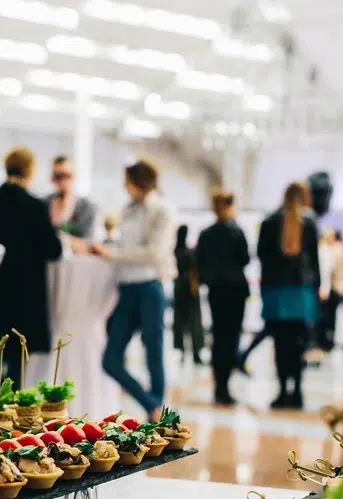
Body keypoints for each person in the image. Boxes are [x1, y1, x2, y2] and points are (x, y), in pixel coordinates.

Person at [0, 147, 66, 398]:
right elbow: (53, 250)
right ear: (30, 171)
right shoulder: (34, 207)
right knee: (17, 357)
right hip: (24, 293)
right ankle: (10, 415)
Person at [93, 160, 176, 421]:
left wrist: (114, 253)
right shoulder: (127, 210)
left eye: (127, 179)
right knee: (110, 359)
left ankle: (157, 413)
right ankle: (152, 404)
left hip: (150, 286)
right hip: (127, 289)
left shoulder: (161, 210)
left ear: (138, 180)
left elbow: (156, 252)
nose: (123, 185)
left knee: (154, 351)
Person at [257, 181, 319, 410]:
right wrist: (316, 289)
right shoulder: (310, 222)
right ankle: (298, 392)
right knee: (299, 344)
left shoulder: (269, 221)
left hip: (276, 292)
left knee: (280, 345)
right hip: (302, 292)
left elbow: (262, 257)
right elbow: (314, 260)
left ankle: (283, 392)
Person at [196, 190, 249, 405]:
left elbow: (200, 262)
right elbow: (244, 259)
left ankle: (219, 385)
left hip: (216, 290)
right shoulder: (236, 231)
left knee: (219, 336)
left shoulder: (206, 234)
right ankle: (225, 384)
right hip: (236, 289)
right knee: (232, 336)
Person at [172, 225, 205, 366]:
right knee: (194, 322)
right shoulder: (189, 253)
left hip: (179, 288)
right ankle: (196, 353)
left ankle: (183, 352)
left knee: (180, 322)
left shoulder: (175, 251)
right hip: (190, 289)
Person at [47, 155, 98, 239]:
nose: (61, 181)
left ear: (73, 177)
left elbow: (88, 243)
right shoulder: (43, 205)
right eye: (57, 176)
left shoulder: (87, 208)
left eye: (65, 175)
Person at [317, 229, 343, 352]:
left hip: (333, 288)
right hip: (332, 288)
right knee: (329, 317)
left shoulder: (332, 250)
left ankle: (327, 341)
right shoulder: (333, 250)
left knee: (329, 316)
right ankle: (327, 341)